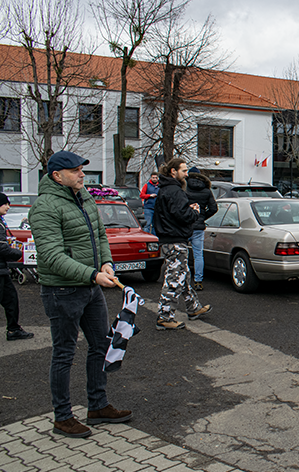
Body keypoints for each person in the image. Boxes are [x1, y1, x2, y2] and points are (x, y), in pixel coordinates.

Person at [28, 151, 132, 438]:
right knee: (64, 353)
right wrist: (93, 275)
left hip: (90, 287)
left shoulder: (84, 197)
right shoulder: (46, 207)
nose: (82, 175)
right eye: (75, 171)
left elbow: (99, 234)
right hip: (62, 290)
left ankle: (97, 406)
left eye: (81, 170)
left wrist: (106, 263)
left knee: (101, 345)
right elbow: (51, 256)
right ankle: (62, 417)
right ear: (56, 176)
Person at [154, 158, 212, 330]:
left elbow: (172, 213)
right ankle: (165, 316)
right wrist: (194, 211)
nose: (187, 174)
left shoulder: (166, 190)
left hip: (170, 238)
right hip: (175, 240)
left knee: (183, 275)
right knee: (174, 278)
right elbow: (183, 215)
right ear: (174, 172)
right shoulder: (175, 191)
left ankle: (193, 308)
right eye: (184, 171)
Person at [0, 193, 34, 341]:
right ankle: (13, 329)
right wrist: (18, 253)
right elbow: (2, 248)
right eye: (5, 204)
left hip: (2, 270)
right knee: (10, 299)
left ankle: (13, 329)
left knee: (11, 299)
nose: (8, 207)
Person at [186, 167, 217, 291]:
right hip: (198, 226)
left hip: (185, 225)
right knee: (198, 254)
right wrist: (202, 216)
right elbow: (214, 208)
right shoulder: (206, 190)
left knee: (183, 252)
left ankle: (183, 279)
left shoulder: (184, 187)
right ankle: (198, 280)